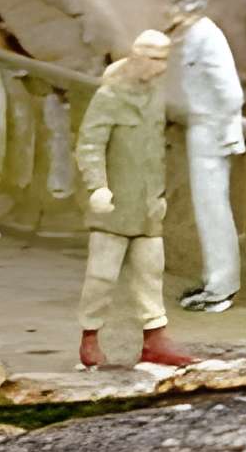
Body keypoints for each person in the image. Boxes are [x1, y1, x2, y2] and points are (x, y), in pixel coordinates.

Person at [75, 29, 195, 371]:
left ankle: (155, 338)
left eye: (164, 60)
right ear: (139, 57)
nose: (160, 68)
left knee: (150, 273)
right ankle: (90, 336)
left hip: (146, 207)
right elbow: (89, 144)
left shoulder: (154, 97)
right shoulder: (109, 96)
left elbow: (153, 151)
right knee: (101, 276)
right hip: (113, 206)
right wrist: (97, 186)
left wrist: (158, 194)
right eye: (155, 60)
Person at [164, 0, 246, 312]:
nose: (167, 6)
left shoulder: (205, 36)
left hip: (209, 130)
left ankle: (222, 287)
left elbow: (230, 91)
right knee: (207, 208)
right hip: (203, 126)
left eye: (172, 0)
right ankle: (216, 280)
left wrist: (226, 129)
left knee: (213, 209)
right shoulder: (196, 33)